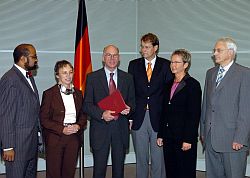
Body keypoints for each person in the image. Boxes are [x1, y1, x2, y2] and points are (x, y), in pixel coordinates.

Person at [83, 44, 136, 178]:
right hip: (100, 130)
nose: (112, 58)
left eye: (115, 55)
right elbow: (87, 105)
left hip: (120, 129)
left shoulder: (128, 78)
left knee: (119, 171)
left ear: (119, 58)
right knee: (99, 171)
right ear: (103, 57)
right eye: (108, 55)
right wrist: (102, 114)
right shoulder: (92, 78)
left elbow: (133, 102)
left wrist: (129, 109)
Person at [200, 37, 250, 178]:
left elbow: (246, 109)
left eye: (219, 50)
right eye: (214, 50)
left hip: (233, 140)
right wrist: (203, 131)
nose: (214, 53)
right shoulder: (210, 73)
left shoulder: (245, 74)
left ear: (230, 52)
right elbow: (206, 105)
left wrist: (241, 137)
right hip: (210, 139)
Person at [128, 33, 173, 178]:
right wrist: (130, 118)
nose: (143, 50)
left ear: (156, 48)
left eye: (147, 47)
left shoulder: (166, 65)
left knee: (158, 159)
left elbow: (169, 96)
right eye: (142, 46)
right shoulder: (133, 65)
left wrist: (167, 120)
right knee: (140, 158)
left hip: (158, 118)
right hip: (138, 117)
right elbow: (130, 93)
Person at [157, 49, 202, 178]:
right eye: (172, 62)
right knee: (171, 171)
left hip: (184, 138)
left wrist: (188, 138)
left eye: (177, 62)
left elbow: (194, 114)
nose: (173, 65)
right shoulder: (167, 84)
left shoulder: (193, 85)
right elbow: (163, 111)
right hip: (168, 136)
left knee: (185, 171)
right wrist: (161, 134)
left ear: (186, 65)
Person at [40, 60, 87, 178]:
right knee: (54, 172)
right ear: (57, 75)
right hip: (55, 137)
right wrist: (62, 129)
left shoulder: (78, 93)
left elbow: (83, 115)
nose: (68, 76)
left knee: (69, 172)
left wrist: (78, 125)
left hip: (73, 138)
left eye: (70, 72)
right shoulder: (49, 93)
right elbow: (44, 119)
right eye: (64, 72)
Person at [0, 44, 40, 178]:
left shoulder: (28, 76)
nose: (36, 60)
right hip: (17, 147)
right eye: (34, 57)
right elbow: (6, 116)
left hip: (30, 143)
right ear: (23, 58)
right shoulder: (10, 79)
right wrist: (8, 147)